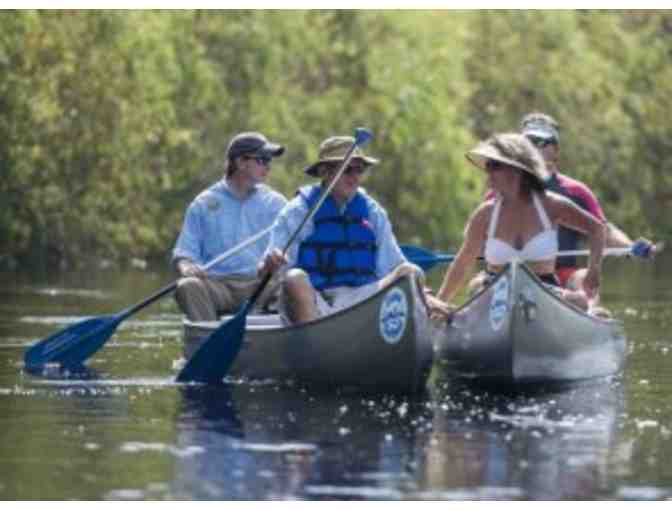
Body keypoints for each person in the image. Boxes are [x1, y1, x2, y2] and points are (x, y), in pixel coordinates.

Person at [426, 133, 607, 319]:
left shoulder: (552, 205)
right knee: (476, 286)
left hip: (544, 289)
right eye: (487, 165)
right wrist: (440, 302)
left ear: (516, 170)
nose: (488, 172)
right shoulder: (485, 214)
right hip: (494, 290)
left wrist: (594, 270)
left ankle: (591, 314)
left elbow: (597, 229)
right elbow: (463, 262)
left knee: (581, 302)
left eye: (494, 165)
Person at [258, 135, 422, 325]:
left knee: (410, 272)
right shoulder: (298, 210)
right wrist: (270, 263)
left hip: (362, 298)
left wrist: (425, 296)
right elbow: (265, 272)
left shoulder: (371, 211)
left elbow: (393, 265)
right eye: (347, 170)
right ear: (324, 172)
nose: (354, 177)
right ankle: (316, 346)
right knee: (294, 279)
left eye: (359, 170)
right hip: (317, 300)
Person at [518, 112, 656, 291]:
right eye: (527, 143)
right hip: (515, 272)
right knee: (479, 282)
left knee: (584, 280)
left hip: (563, 274)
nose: (533, 149)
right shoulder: (502, 189)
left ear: (556, 150)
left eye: (540, 142)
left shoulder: (576, 191)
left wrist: (629, 246)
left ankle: (589, 308)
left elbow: (603, 230)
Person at [172, 132, 288, 323]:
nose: (268, 166)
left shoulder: (277, 204)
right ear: (241, 162)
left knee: (293, 282)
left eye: (269, 161)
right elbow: (184, 254)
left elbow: (292, 251)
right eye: (262, 160)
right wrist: (187, 267)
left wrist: (278, 260)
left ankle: (279, 336)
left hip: (262, 285)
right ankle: (211, 340)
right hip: (219, 286)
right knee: (187, 286)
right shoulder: (202, 204)